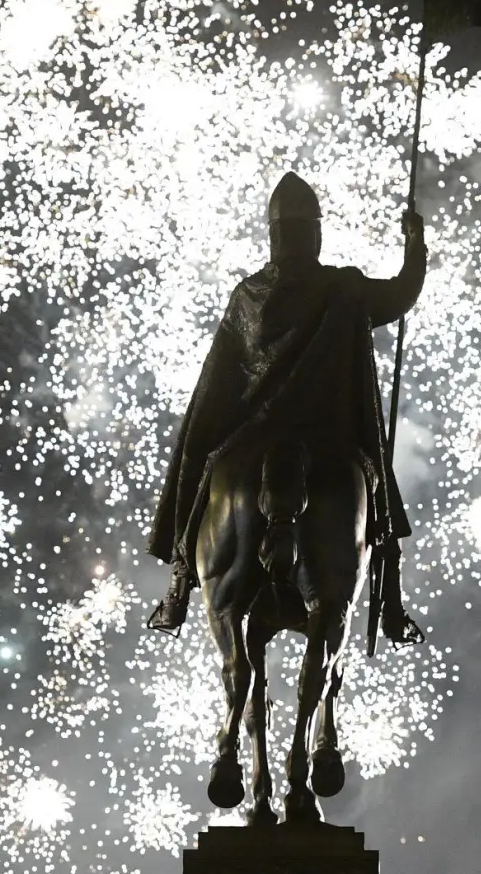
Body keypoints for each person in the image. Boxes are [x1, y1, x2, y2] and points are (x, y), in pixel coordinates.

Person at [146, 171, 425, 645]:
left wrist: (207, 436)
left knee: (199, 467)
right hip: (329, 432)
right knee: (378, 498)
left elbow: (218, 384)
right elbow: (403, 293)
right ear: (315, 233)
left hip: (255, 431)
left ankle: (178, 583)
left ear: (274, 236)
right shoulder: (345, 288)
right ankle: (392, 604)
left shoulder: (248, 296)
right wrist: (415, 243)